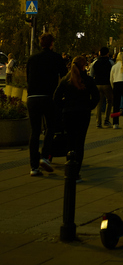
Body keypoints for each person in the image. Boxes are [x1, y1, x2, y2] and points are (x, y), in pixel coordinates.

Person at [26, 33, 67, 176]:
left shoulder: (32, 59)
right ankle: (45, 156)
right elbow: (65, 77)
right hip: (48, 97)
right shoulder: (56, 58)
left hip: (32, 98)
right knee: (51, 127)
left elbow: (28, 78)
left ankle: (33, 167)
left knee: (35, 131)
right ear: (52, 44)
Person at [54, 55, 99, 180]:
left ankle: (69, 169)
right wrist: (89, 106)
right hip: (83, 114)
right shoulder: (88, 80)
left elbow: (56, 97)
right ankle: (76, 171)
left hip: (69, 113)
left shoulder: (65, 80)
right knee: (80, 143)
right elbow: (96, 97)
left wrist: (64, 106)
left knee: (70, 142)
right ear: (83, 66)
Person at [90, 46, 113, 127]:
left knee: (99, 103)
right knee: (109, 101)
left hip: (97, 84)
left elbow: (91, 75)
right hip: (107, 84)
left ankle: (98, 122)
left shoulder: (94, 62)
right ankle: (106, 120)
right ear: (107, 53)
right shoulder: (110, 62)